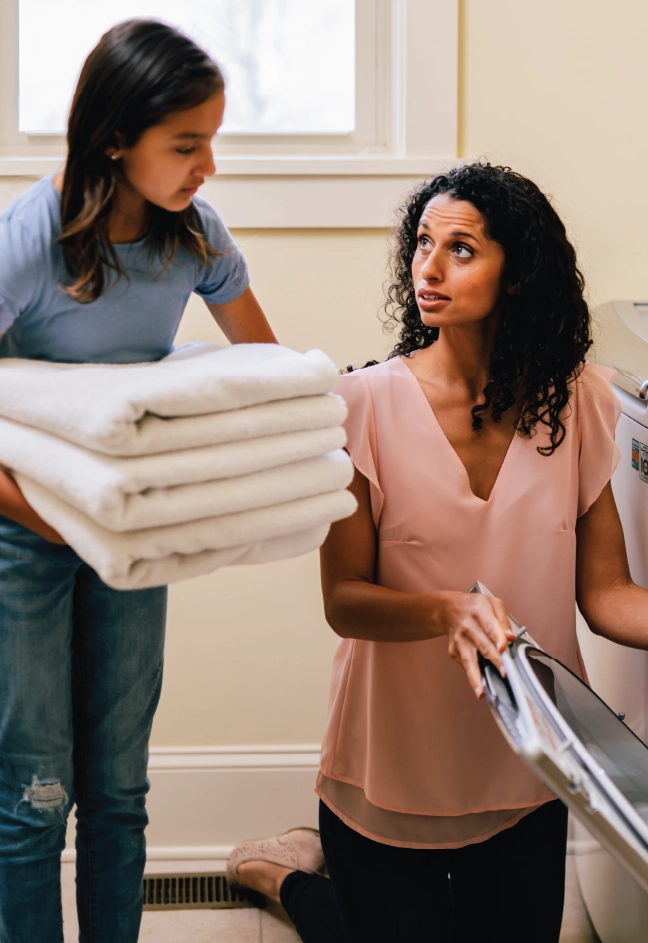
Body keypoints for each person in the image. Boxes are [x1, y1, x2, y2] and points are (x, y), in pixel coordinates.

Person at [228, 162, 648, 942]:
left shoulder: (582, 401)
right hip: (390, 766)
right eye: (423, 242)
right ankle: (285, 874)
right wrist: (448, 610)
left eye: (461, 248)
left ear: (517, 274)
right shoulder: (361, 407)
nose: (428, 265)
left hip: (529, 766)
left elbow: (609, 593)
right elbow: (344, 600)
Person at [0, 19, 276, 943]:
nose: (207, 168)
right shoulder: (29, 241)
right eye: (187, 145)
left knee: (119, 789)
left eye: (213, 141)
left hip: (130, 530)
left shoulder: (193, 236)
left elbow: (266, 369)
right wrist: (50, 514)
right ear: (116, 137)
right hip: (22, 535)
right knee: (36, 794)